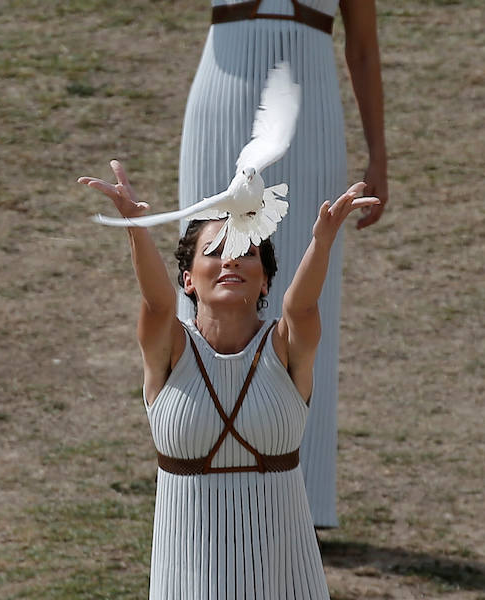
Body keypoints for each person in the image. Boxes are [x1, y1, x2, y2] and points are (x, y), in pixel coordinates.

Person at [79, 160, 379, 599]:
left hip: (282, 570)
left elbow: (302, 307)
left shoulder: (284, 346)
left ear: (264, 282)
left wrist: (322, 241)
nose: (231, 260)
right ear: (188, 279)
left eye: (247, 252)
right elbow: (157, 303)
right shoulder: (170, 348)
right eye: (215, 251)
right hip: (189, 569)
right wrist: (135, 226)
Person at [177, 0, 388, 528]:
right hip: (222, 100)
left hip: (309, 102)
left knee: (303, 287)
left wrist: (378, 152)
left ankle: (301, 494)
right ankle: (199, 472)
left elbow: (362, 46)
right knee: (214, 280)